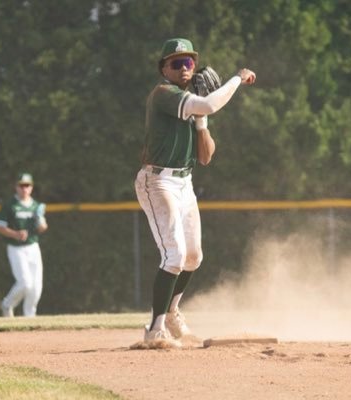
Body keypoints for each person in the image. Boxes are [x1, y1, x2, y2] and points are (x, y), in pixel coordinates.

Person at [135, 38, 256, 347]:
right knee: (173, 255)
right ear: (164, 69)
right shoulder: (164, 94)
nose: (185, 67)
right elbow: (211, 103)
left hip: (184, 183)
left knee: (193, 256)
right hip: (157, 181)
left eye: (189, 62)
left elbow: (205, 156)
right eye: (176, 63)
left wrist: (202, 122)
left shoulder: (191, 105)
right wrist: (237, 78)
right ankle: (154, 331)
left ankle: (172, 312)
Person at [0, 173, 48, 317]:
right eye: (21, 185)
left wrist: (40, 220)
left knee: (36, 286)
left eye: (27, 185)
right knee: (25, 283)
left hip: (33, 247)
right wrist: (15, 234)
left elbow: (42, 228)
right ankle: (7, 304)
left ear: (31, 187)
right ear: (16, 187)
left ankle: (30, 317)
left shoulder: (36, 206)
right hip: (16, 248)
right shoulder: (10, 205)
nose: (24, 188)